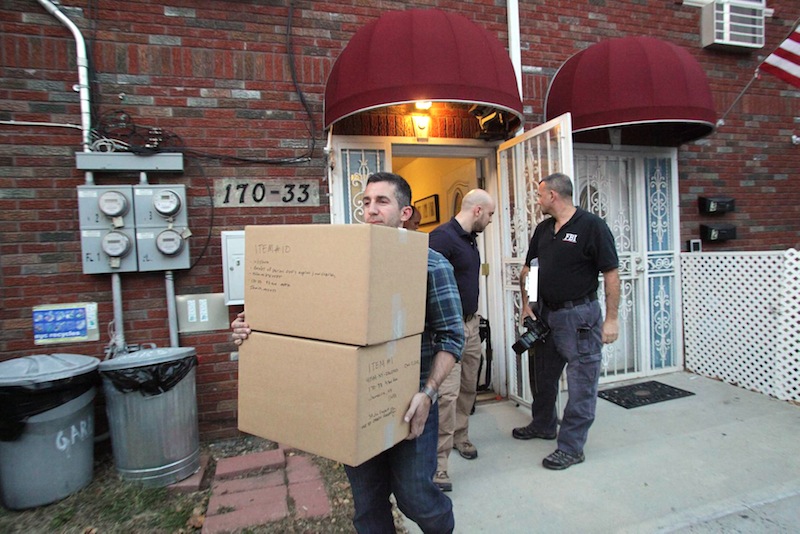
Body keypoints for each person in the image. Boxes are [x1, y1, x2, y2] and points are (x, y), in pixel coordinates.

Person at [231, 172, 465, 533]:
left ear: (405, 213)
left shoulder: (431, 264)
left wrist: (428, 393)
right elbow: (307, 318)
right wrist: (255, 327)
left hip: (411, 401)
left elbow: (452, 337)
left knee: (415, 497)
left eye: (382, 202)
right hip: (356, 402)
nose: (371, 210)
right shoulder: (345, 262)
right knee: (367, 507)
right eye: (366, 202)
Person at [513, 172, 620, 471]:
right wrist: (528, 304)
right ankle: (544, 424)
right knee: (543, 376)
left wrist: (611, 319)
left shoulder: (592, 227)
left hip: (580, 317)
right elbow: (530, 269)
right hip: (546, 315)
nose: (537, 200)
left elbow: (611, 274)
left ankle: (572, 447)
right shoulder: (544, 230)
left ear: (553, 196)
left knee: (581, 383)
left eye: (539, 195)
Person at [427, 189, 495, 492]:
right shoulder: (441, 238)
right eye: (491, 214)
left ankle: (461, 436)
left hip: (471, 326)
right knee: (448, 397)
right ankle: (439, 466)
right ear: (478, 210)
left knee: (469, 387)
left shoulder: (470, 239)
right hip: (449, 330)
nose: (491, 221)